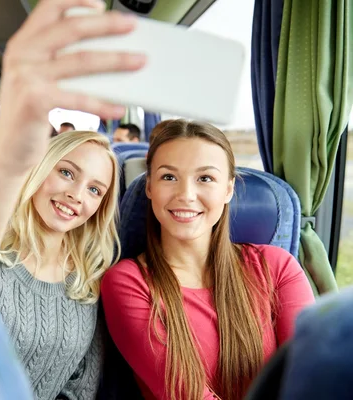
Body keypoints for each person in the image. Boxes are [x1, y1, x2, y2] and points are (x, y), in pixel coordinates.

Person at [0, 0, 146, 398]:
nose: (75, 195)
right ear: (39, 168)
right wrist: (4, 164)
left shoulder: (91, 278)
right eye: (66, 172)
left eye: (95, 189)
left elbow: (81, 387)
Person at [101, 119, 315, 400]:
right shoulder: (128, 282)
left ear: (228, 190)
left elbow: (308, 377)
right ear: (149, 186)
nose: (186, 195)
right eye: (169, 177)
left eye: (205, 178)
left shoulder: (277, 267)